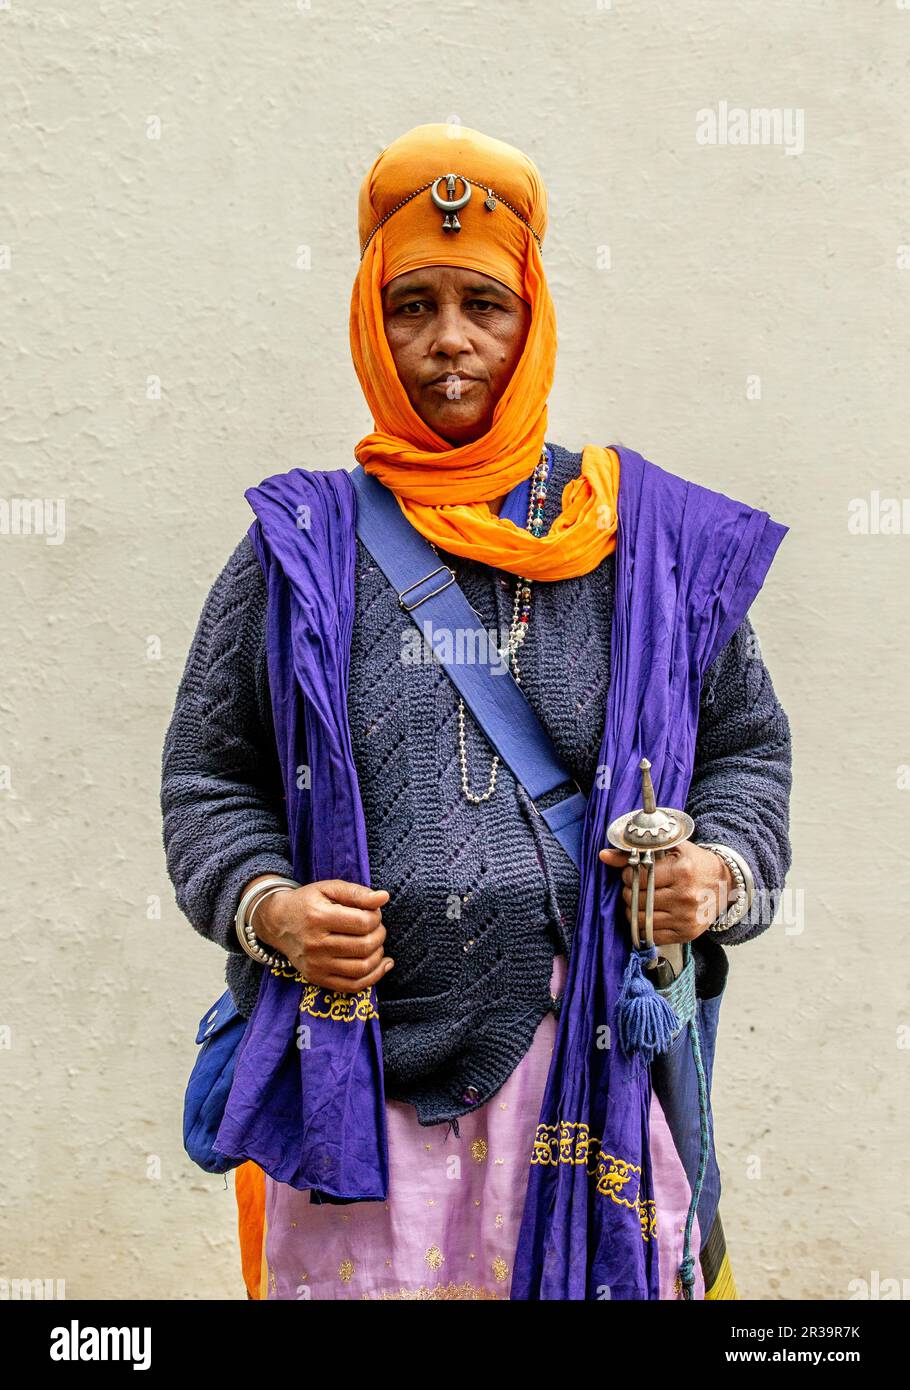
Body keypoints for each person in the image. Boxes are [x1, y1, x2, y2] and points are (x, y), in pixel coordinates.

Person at [160, 123, 792, 1301]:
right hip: (356, 1079)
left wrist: (720, 872)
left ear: (532, 316)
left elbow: (747, 746)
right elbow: (209, 774)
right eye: (411, 304)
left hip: (587, 1065)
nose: (447, 341)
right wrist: (271, 909)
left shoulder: (641, 542)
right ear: (368, 320)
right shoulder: (299, 549)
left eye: (483, 305)